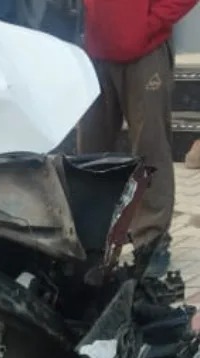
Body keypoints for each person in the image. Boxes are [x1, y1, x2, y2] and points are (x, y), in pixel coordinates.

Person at [77, 0, 200, 277]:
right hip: (95, 50)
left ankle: (151, 242)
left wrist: (148, 24)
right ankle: (92, 240)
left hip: (146, 53)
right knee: (90, 153)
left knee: (150, 149)